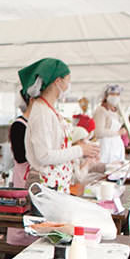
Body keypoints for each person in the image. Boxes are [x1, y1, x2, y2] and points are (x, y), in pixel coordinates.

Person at [20, 58, 100, 193]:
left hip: (57, 184)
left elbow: (56, 149)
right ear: (58, 81)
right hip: (45, 185)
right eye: (68, 80)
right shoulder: (41, 112)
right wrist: (80, 150)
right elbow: (43, 156)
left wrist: (83, 151)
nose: (69, 85)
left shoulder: (50, 110)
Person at [93, 84, 126, 163]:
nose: (115, 96)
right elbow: (98, 132)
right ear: (106, 96)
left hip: (116, 147)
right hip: (106, 147)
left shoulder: (116, 111)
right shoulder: (101, 110)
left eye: (117, 94)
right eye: (112, 94)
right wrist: (117, 133)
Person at [10, 92, 33, 188]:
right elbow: (20, 156)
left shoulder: (32, 123)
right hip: (23, 179)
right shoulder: (18, 126)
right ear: (31, 101)